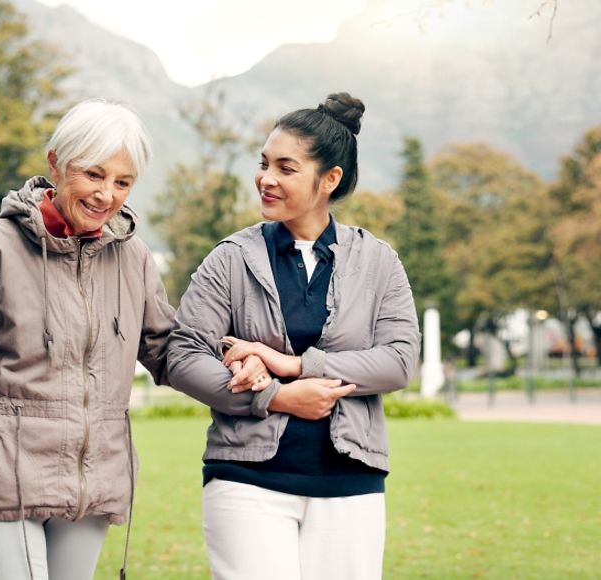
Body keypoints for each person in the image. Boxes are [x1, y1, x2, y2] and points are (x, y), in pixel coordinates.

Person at [0, 100, 193, 580]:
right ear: (56, 163)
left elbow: (169, 351)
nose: (106, 195)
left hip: (92, 484)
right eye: (93, 175)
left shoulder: (135, 259)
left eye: (122, 183)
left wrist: (237, 358)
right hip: (3, 477)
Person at [167, 92, 421, 579]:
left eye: (285, 168)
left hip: (351, 483)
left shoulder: (378, 261)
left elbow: (399, 360)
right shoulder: (230, 258)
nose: (266, 178)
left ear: (329, 180)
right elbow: (182, 354)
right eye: (264, 164)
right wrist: (278, 397)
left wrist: (298, 365)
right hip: (247, 481)